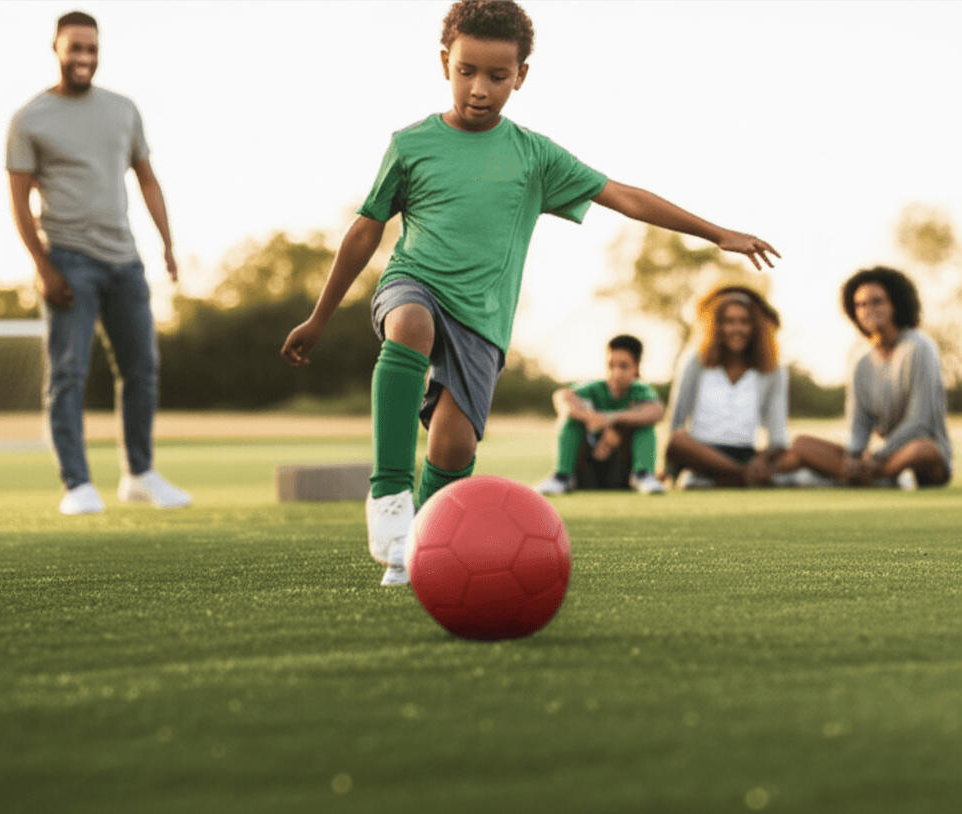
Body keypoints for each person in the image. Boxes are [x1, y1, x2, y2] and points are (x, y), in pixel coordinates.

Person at [281, 0, 779, 585]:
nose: (480, 89)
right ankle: (389, 496)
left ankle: (416, 549)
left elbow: (623, 196)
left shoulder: (534, 156)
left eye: (497, 76)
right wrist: (319, 317)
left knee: (450, 448)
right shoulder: (411, 144)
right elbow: (366, 229)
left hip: (481, 320)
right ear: (446, 63)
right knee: (410, 323)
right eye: (467, 71)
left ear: (521, 75)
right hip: (413, 283)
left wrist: (717, 233)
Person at [6, 11, 191, 515]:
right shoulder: (29, 119)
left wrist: (168, 245)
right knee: (68, 372)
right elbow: (19, 202)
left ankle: (139, 474)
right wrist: (45, 268)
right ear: (57, 49)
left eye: (92, 48)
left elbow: (147, 179)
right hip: (68, 259)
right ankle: (77, 485)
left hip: (125, 259)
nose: (84, 58)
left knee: (142, 369)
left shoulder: (123, 110)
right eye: (75, 49)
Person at [785, 267, 953, 489]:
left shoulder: (919, 346)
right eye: (860, 305)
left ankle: (863, 477)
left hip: (917, 455)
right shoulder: (861, 360)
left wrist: (879, 455)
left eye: (877, 302)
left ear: (895, 304)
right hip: (879, 459)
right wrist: (854, 456)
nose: (868, 310)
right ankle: (871, 477)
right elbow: (859, 423)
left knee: (922, 450)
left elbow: (920, 421)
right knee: (801, 444)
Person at [666, 286, 796, 488]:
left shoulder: (773, 370)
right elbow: (676, 425)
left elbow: (777, 435)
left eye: (744, 322)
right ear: (716, 326)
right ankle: (742, 477)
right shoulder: (695, 362)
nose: (736, 329)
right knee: (678, 441)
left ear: (755, 327)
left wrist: (763, 460)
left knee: (800, 450)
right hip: (701, 453)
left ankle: (731, 476)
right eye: (729, 322)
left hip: (745, 452)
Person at [535, 335, 665, 495]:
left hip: (622, 467)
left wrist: (611, 420)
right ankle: (562, 476)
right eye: (611, 365)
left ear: (636, 367)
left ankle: (643, 474)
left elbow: (657, 411)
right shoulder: (594, 387)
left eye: (624, 366)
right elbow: (562, 397)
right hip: (589, 464)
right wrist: (592, 419)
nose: (616, 373)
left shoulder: (640, 390)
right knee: (571, 422)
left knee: (645, 426)